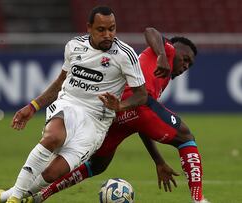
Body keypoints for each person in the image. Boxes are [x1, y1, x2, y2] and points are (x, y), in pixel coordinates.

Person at [0, 5, 148, 203]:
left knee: (52, 174)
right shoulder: (74, 46)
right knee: (53, 137)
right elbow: (60, 82)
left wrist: (120, 107)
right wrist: (33, 106)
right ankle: (15, 200)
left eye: (112, 29)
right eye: (101, 29)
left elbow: (142, 95)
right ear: (89, 27)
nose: (108, 34)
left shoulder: (126, 55)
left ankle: (1, 197)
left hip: (96, 122)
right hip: (70, 104)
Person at [25, 28, 209, 203]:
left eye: (189, 64)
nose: (185, 66)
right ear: (174, 49)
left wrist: (158, 161)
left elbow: (142, 124)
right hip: (131, 104)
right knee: (185, 137)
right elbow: (150, 31)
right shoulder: (166, 50)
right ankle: (198, 199)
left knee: (97, 165)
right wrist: (162, 54)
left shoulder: (160, 76)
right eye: (185, 59)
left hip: (119, 114)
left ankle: (38, 195)